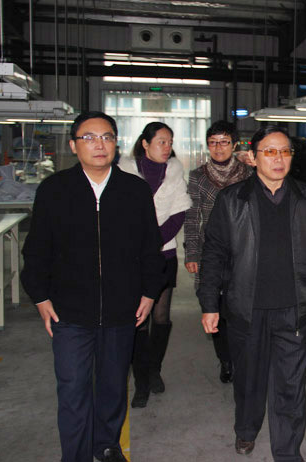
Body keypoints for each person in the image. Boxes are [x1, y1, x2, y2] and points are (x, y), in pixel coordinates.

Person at [21, 112, 164, 462]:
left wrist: (149, 292)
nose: (99, 145)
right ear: (74, 145)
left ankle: (106, 445)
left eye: (107, 137)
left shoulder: (134, 190)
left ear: (116, 144)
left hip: (121, 309)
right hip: (69, 312)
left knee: (113, 386)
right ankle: (75, 455)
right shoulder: (54, 190)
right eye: (89, 137)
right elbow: (36, 250)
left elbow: (150, 248)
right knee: (73, 388)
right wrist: (40, 297)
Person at [198, 126, 306, 461]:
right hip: (247, 308)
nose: (278, 158)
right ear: (253, 158)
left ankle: (288, 452)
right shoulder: (232, 199)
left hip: (293, 308)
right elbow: (213, 254)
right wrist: (210, 303)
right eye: (269, 151)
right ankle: (246, 428)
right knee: (249, 380)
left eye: (285, 151)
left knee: (291, 386)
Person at [118, 122, 192, 408]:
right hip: (132, 256)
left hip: (164, 254)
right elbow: (119, 215)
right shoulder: (123, 172)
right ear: (145, 144)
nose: (167, 147)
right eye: (161, 141)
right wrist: (141, 244)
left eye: (170, 142)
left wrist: (153, 242)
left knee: (160, 317)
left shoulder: (174, 172)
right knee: (139, 320)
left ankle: (154, 370)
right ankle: (141, 382)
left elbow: (179, 213)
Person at [184, 120, 253, 383]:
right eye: (213, 142)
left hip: (244, 251)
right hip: (211, 251)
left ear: (234, 145)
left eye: (224, 142)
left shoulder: (249, 172)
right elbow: (192, 217)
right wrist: (192, 253)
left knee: (242, 307)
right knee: (215, 307)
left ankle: (242, 357)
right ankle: (225, 360)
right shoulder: (198, 176)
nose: (218, 147)